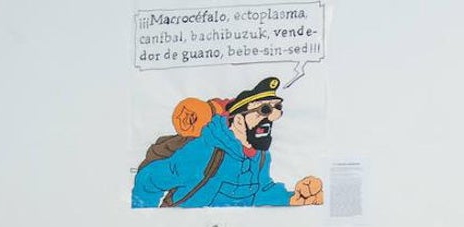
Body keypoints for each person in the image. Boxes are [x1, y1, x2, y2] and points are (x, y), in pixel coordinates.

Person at [132, 76, 323, 208]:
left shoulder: (260, 156)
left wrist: (292, 199)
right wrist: (145, 226)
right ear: (238, 119)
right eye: (264, 110)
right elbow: (148, 182)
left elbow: (259, 191)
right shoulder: (204, 149)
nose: (271, 118)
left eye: (277, 108)